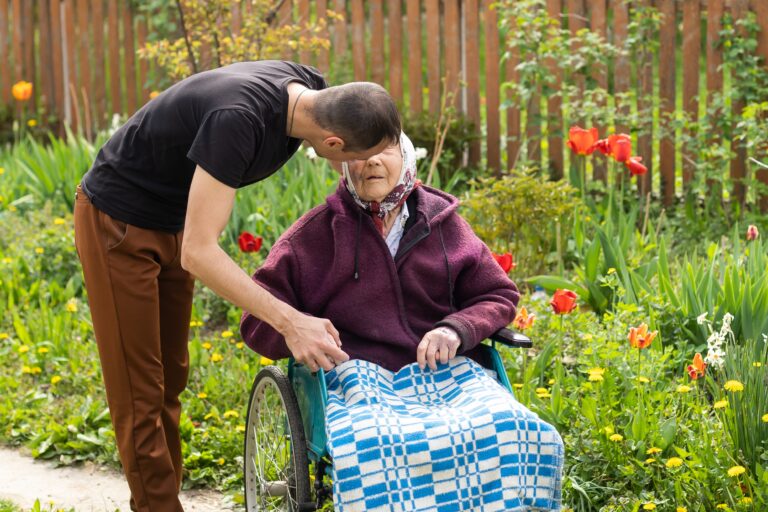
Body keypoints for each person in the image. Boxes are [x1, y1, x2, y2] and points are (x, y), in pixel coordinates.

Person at [73, 60, 401, 512]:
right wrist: (289, 321)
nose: (364, 167)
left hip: (172, 220)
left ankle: (157, 495)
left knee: (171, 374)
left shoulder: (310, 92)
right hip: (118, 224)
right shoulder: (238, 122)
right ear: (332, 143)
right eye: (357, 158)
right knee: (139, 390)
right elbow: (200, 252)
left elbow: (191, 239)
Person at [240, 133, 564, 510]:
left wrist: (455, 328)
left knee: (517, 429)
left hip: (446, 372)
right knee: (372, 446)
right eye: (362, 152)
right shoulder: (312, 236)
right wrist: (298, 328)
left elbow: (498, 295)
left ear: (406, 155)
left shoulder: (444, 225)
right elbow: (256, 320)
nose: (374, 161)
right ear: (345, 163)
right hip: (354, 380)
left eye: (386, 149)